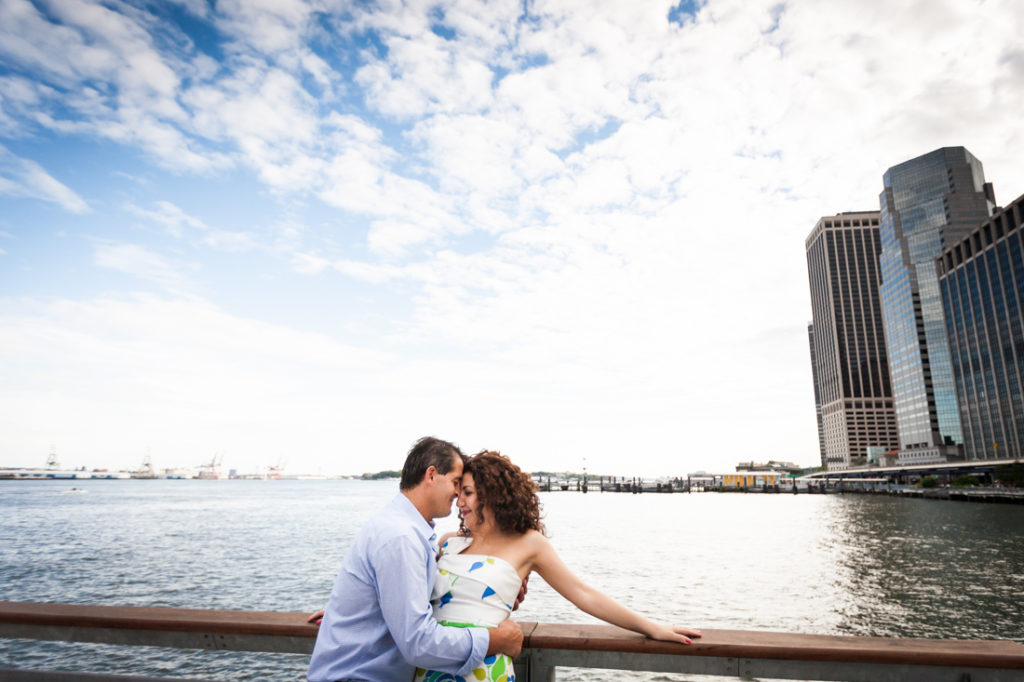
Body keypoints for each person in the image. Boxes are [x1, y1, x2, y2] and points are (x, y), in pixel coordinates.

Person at [413, 451, 701, 682]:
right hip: (433, 664)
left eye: (468, 493)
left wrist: (651, 628)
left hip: (485, 670)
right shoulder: (447, 542)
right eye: (459, 492)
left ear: (492, 495)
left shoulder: (528, 544)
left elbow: (583, 594)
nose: (458, 501)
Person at [307, 437, 524, 682]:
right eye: (455, 482)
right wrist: (495, 640)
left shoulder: (403, 528)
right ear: (431, 475)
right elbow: (418, 642)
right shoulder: (402, 537)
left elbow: (405, 596)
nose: (457, 493)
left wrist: (364, 609)